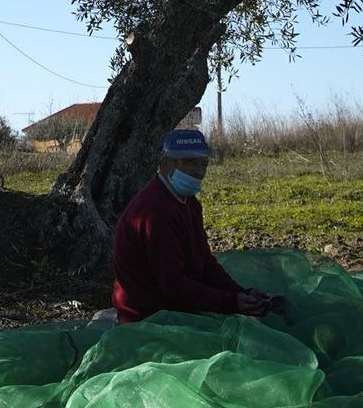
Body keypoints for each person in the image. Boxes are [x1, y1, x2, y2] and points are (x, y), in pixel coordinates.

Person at [111, 127, 275, 323]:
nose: (198, 171)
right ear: (165, 163)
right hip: (149, 318)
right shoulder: (155, 212)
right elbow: (173, 286)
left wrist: (240, 293)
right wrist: (231, 302)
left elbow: (204, 261)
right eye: (188, 162)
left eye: (203, 163)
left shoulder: (189, 203)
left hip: (176, 307)